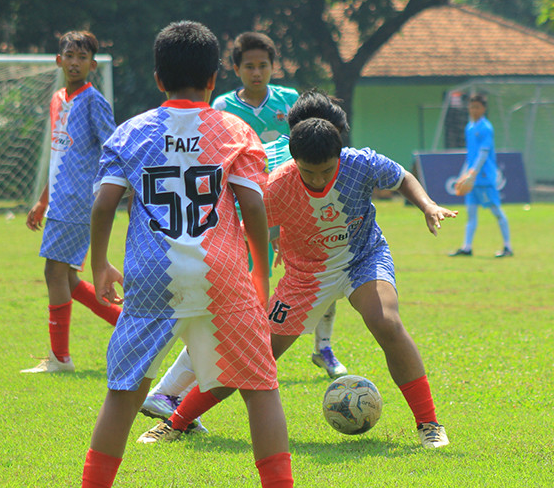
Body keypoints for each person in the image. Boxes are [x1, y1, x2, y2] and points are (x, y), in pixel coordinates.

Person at [58, 20, 330, 488]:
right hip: (222, 273)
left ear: (159, 79)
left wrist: (100, 265)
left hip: (150, 276)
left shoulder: (130, 132)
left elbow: (104, 202)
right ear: (213, 79)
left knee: (122, 395)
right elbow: (253, 206)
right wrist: (260, 270)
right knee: (261, 391)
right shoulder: (234, 130)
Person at [139, 93, 456, 449]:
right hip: (306, 277)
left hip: (363, 258)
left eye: (326, 171)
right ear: (295, 160)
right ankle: (176, 422)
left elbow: (402, 177)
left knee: (387, 322)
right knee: (254, 355)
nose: (318, 180)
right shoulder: (278, 186)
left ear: (339, 155)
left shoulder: (361, 163)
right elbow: (247, 229)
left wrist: (428, 205)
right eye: (309, 172)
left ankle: (429, 424)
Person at [137, 89, 353, 431]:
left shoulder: (275, 148)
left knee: (228, 324)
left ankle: (169, 394)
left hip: (206, 235)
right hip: (233, 240)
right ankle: (167, 394)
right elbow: (263, 203)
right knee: (239, 329)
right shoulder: (292, 160)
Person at [212, 31, 345, 379]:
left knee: (323, 270)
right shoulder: (223, 108)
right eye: (249, 66)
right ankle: (246, 344)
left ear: (273, 67)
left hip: (296, 201)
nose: (257, 73)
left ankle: (324, 347)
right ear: (236, 69)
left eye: (263, 65)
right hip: (244, 207)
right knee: (248, 282)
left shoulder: (289, 101)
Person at [22, 31, 121, 374]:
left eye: (82, 57)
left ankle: (60, 359)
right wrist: (42, 200)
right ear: (58, 60)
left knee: (53, 271)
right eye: (69, 55)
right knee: (68, 278)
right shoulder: (56, 99)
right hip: (59, 201)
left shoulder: (94, 101)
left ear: (92, 65)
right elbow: (59, 156)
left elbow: (113, 148)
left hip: (80, 200)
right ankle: (129, 324)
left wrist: (110, 194)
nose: (75, 62)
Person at [449, 94, 513, 258]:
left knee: (496, 211)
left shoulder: (486, 128)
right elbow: (470, 155)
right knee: (471, 214)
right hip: (472, 178)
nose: (474, 110)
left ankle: (507, 247)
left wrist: (472, 173)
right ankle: (467, 247)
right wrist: (463, 175)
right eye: (471, 107)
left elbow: (483, 154)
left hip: (484, 177)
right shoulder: (469, 127)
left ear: (483, 109)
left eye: (477, 107)